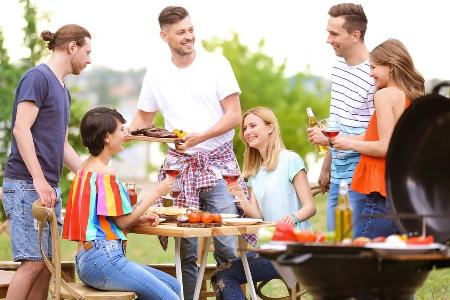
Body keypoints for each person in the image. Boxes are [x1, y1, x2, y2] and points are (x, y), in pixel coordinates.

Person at [130, 6, 246, 299]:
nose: (189, 37)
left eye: (191, 30)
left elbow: (235, 115)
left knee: (227, 244)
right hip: (180, 169)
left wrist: (201, 137)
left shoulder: (217, 64)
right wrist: (123, 133)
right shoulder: (156, 74)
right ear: (164, 36)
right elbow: (142, 121)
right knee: (187, 249)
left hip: (218, 166)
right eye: (181, 32)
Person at [2, 24, 91, 300]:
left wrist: (91, 174)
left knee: (46, 266)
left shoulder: (62, 89)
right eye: (87, 52)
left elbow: (61, 145)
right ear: (72, 47)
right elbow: (21, 129)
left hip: (46, 187)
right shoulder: (37, 78)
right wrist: (40, 181)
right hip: (27, 184)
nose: (89, 59)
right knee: (33, 262)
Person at [62, 107, 180, 299]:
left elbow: (102, 219)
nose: (126, 133)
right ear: (107, 137)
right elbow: (122, 222)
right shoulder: (106, 174)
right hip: (103, 259)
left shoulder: (84, 169)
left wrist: (139, 219)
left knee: (172, 285)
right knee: (170, 298)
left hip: (87, 259)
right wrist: (157, 191)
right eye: (121, 130)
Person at [211, 107, 316, 299]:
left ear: (270, 128)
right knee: (220, 272)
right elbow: (258, 217)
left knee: (224, 274)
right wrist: (241, 197)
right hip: (268, 249)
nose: (247, 132)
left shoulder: (290, 159)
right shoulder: (255, 171)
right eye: (244, 128)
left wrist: (293, 217)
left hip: (293, 249)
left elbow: (310, 207)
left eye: (253, 125)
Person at [331, 39, 425, 238]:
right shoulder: (410, 95)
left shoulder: (383, 95)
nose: (370, 73)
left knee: (363, 259)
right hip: (406, 195)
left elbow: (385, 146)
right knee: (397, 262)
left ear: (390, 67)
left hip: (382, 193)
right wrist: (343, 138)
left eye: (373, 67)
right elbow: (381, 134)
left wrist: (349, 144)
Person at [307, 3, 376, 235]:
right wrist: (327, 165)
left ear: (355, 35)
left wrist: (330, 140)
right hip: (338, 175)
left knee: (354, 251)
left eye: (334, 33)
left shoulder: (375, 73)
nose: (328, 39)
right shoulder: (338, 69)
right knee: (336, 247)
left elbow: (379, 135)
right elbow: (336, 122)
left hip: (362, 176)